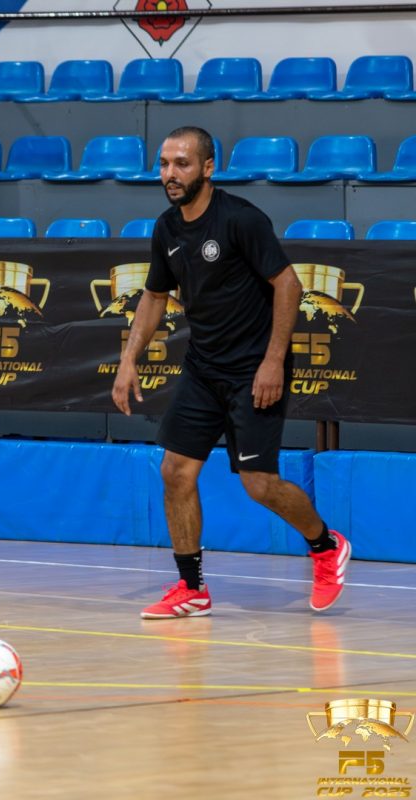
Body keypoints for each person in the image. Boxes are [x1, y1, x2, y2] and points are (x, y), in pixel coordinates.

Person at [112, 125, 351, 620]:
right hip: (204, 367)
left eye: (181, 164)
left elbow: (289, 285)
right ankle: (192, 587)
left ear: (207, 167)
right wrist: (129, 359)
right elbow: (154, 296)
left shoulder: (241, 219)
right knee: (176, 471)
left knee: (259, 484)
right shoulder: (166, 228)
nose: (170, 173)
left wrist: (273, 361)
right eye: (164, 164)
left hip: (254, 368)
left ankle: (326, 546)